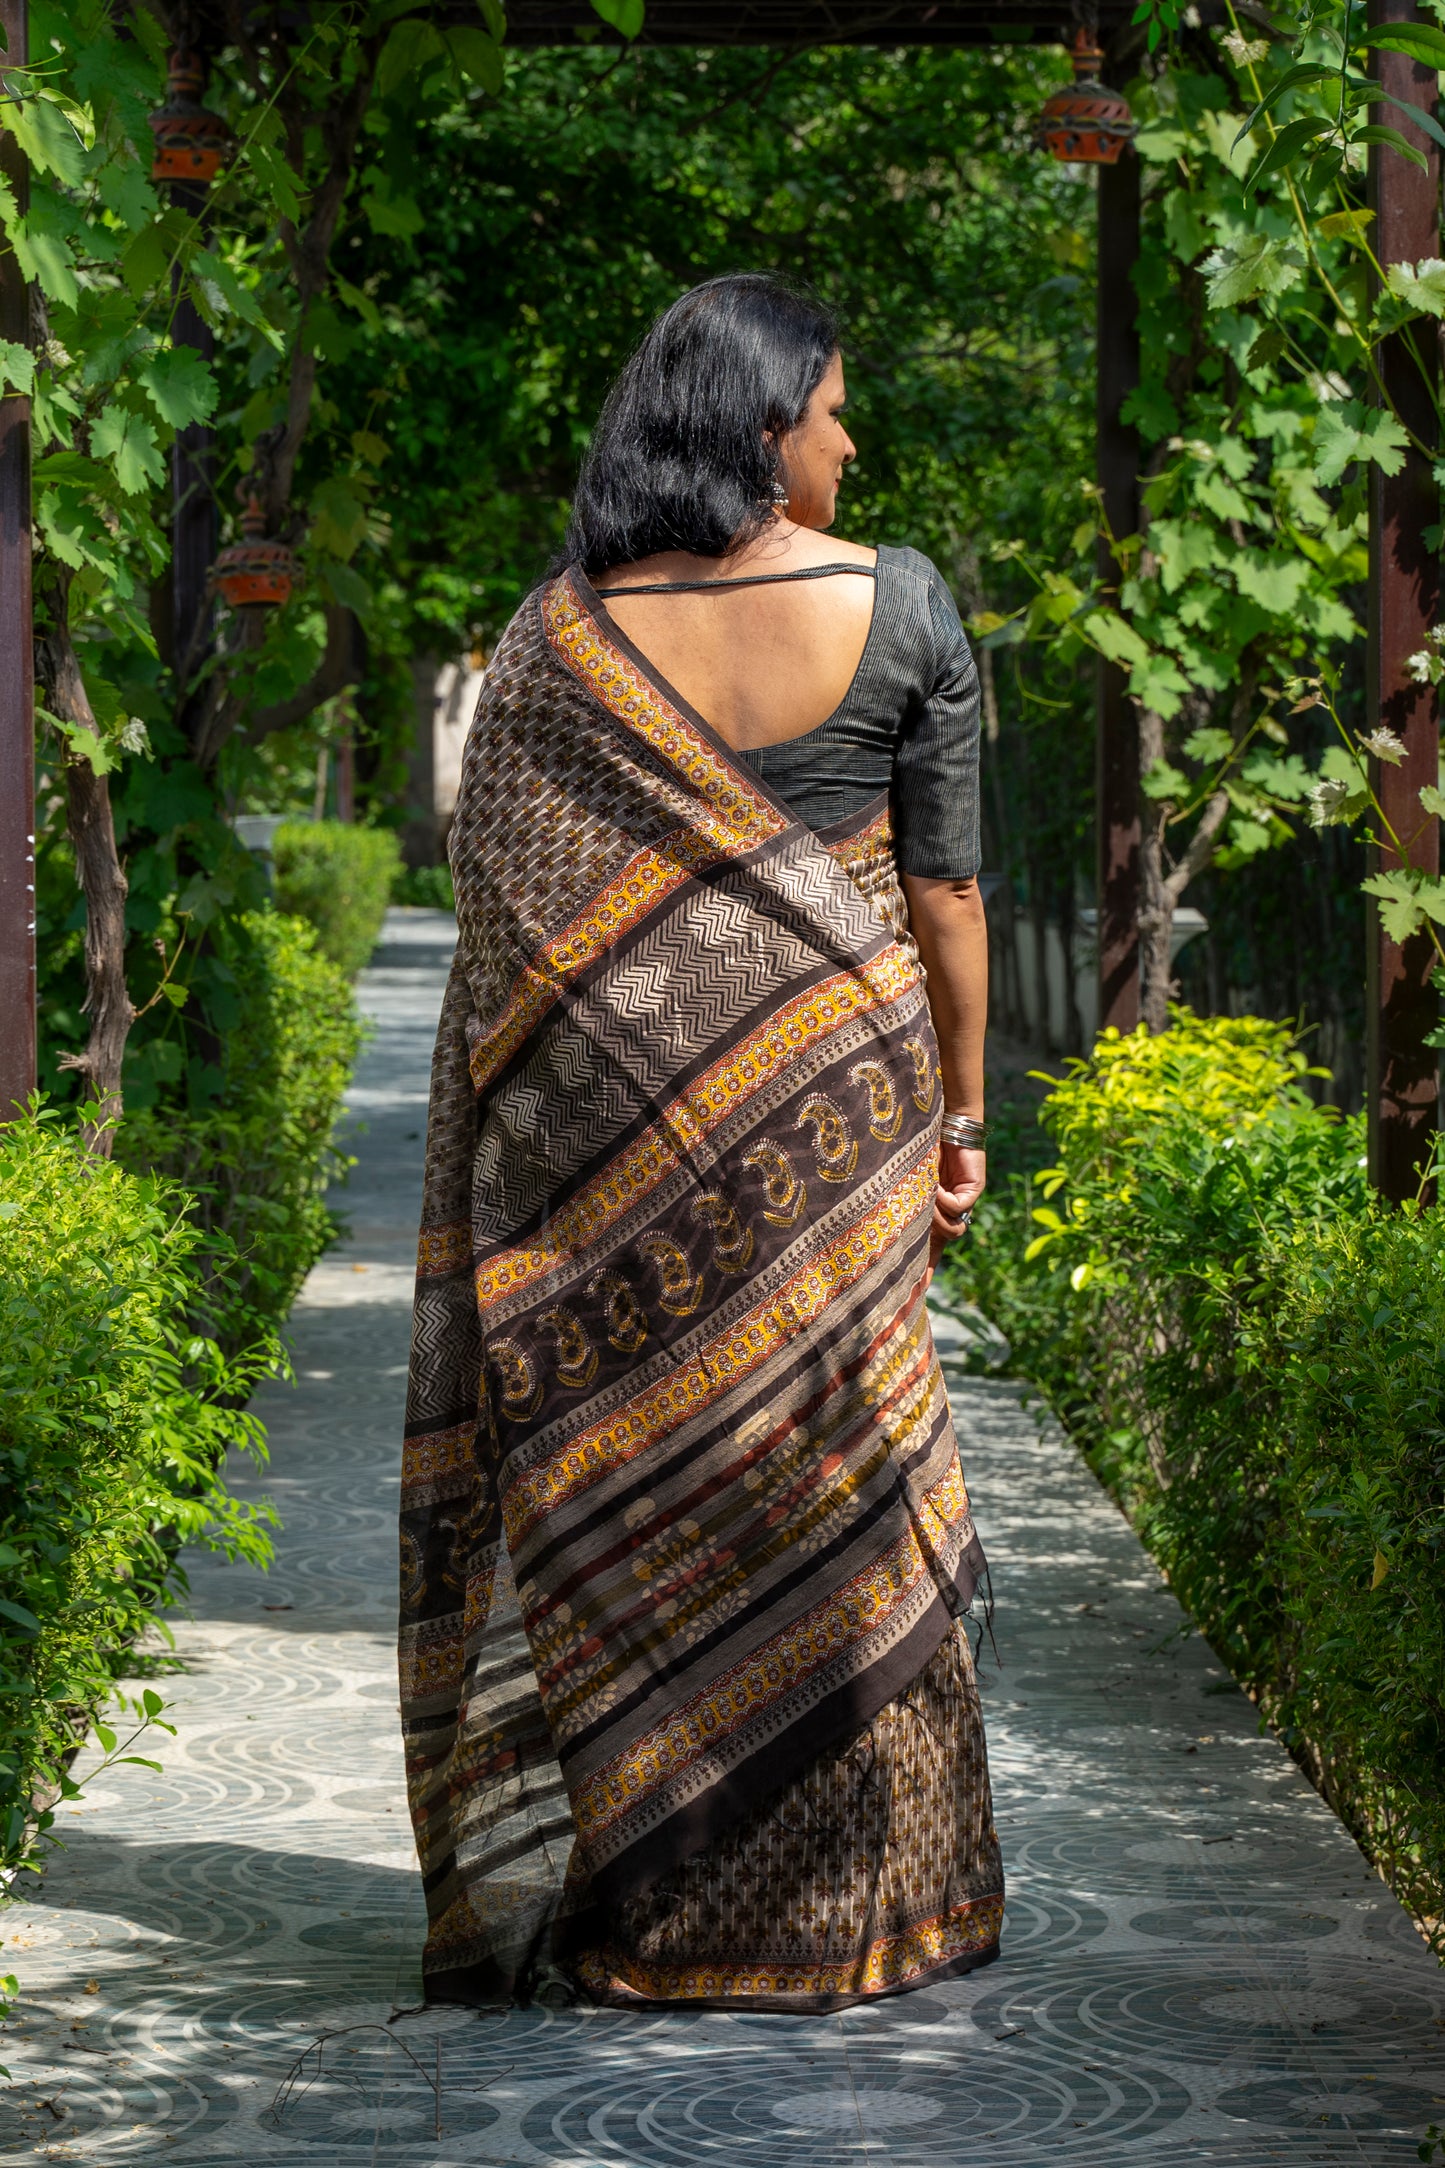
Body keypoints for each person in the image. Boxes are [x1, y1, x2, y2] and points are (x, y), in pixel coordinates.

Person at [399, 272, 1003, 2013]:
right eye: (833, 413)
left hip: (618, 1153)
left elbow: (509, 918)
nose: (850, 443)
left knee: (635, 1472)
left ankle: (655, 1913)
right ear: (760, 426)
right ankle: (863, 1910)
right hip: (845, 1120)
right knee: (843, 1470)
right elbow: (947, 896)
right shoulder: (902, 602)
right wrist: (964, 1113)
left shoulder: (559, 636)